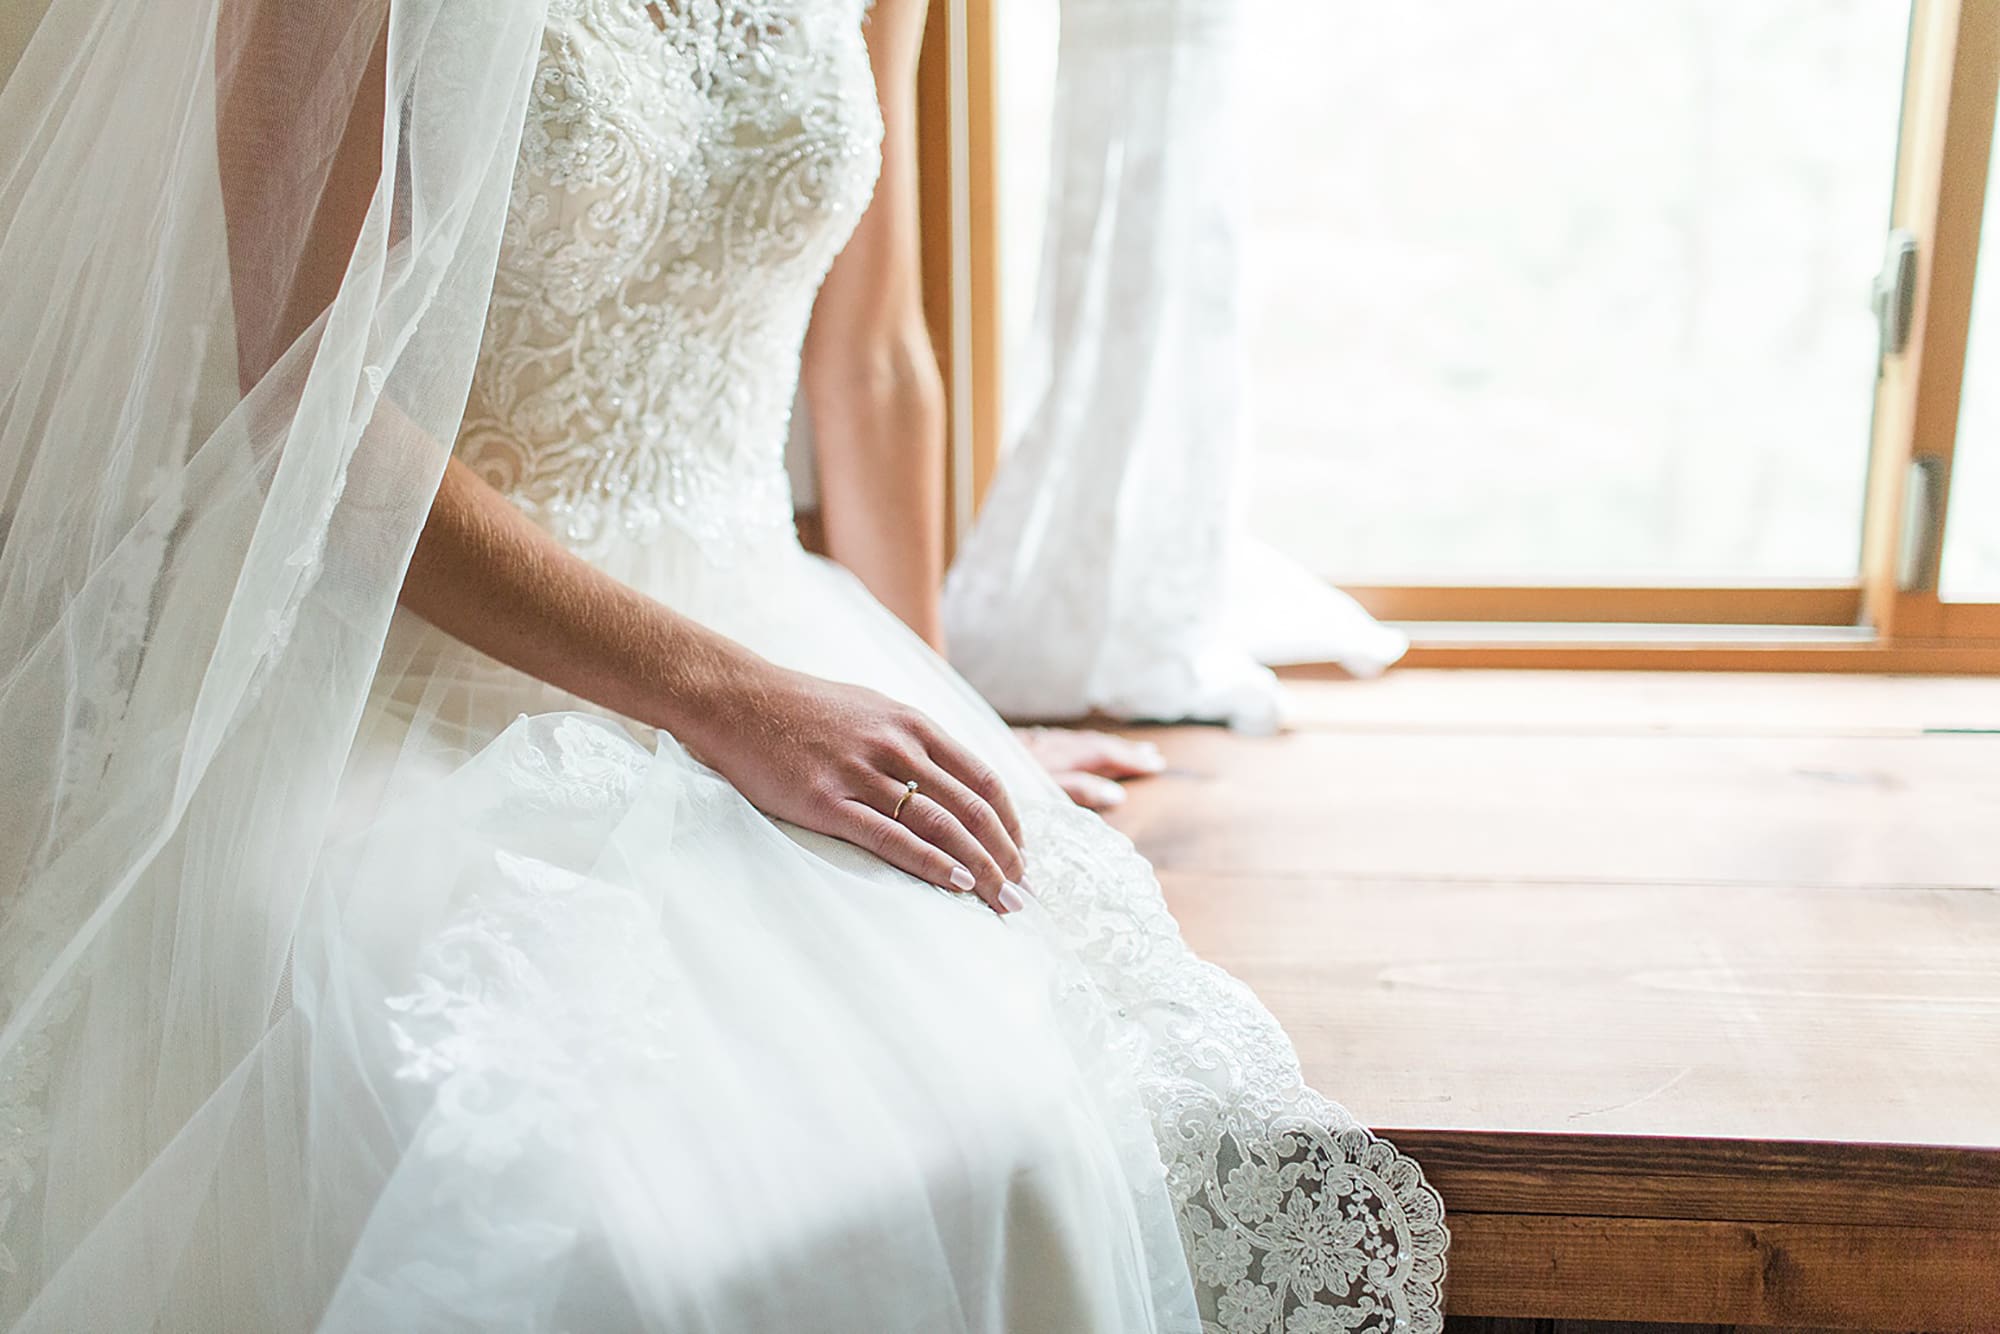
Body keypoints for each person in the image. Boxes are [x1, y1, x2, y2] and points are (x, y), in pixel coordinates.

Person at [0, 1, 1444, 1329]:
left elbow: (872, 356)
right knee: (587, 1229)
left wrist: (937, 715)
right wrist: (729, 699)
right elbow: (303, 417)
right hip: (400, 686)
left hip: (788, 651)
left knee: (1021, 1122)